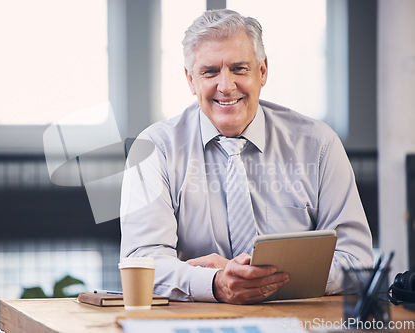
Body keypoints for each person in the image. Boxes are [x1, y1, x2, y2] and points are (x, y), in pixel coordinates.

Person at [120, 9, 373, 304]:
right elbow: (142, 262)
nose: (226, 86)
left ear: (262, 71)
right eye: (210, 72)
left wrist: (248, 277)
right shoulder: (153, 149)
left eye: (239, 69)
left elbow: (358, 262)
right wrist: (214, 283)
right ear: (190, 80)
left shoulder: (318, 145)